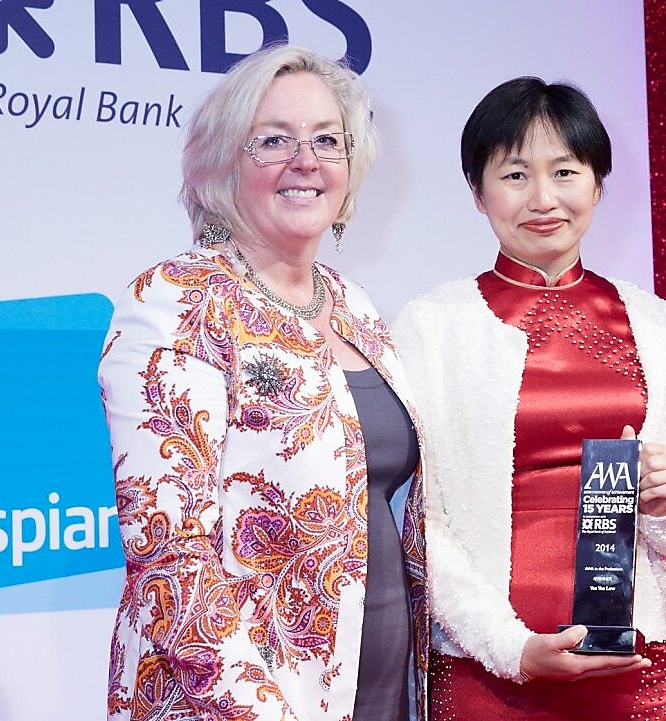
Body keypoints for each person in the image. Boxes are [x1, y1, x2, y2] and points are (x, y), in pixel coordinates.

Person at [98, 44, 426, 721]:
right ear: (222, 163)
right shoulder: (175, 302)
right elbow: (171, 558)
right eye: (273, 139)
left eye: (326, 140)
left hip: (382, 692)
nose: (305, 160)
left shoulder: (356, 305)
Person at [393, 76, 666, 720]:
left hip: (635, 660)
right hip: (490, 667)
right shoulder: (431, 325)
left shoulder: (658, 325)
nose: (543, 199)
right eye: (514, 175)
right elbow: (422, 524)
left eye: (565, 171)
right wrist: (512, 648)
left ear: (597, 184)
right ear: (478, 193)